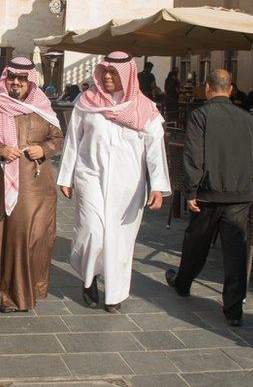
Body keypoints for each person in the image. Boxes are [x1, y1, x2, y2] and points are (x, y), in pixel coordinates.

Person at [57, 52, 169, 313]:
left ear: (127, 76)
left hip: (128, 184)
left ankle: (115, 293)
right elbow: (72, 140)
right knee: (92, 231)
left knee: (120, 239)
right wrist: (66, 176)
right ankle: (89, 279)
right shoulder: (87, 102)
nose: (107, 77)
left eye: (113, 73)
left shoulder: (146, 109)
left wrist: (159, 187)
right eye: (104, 72)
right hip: (90, 176)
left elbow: (155, 151)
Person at [166, 69, 253, 327]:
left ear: (207, 88)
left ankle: (183, 283)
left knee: (196, 241)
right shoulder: (247, 117)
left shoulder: (200, 115)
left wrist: (191, 190)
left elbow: (194, 155)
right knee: (235, 250)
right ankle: (234, 309)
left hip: (210, 190)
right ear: (231, 89)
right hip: (239, 191)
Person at [0, 57, 63, 312]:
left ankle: (28, 290)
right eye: (11, 77)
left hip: (36, 186)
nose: (15, 82)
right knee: (1, 237)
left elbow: (57, 136)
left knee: (33, 237)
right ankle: (2, 294)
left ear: (30, 81)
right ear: (5, 79)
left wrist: (43, 148)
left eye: (21, 79)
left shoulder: (42, 106)